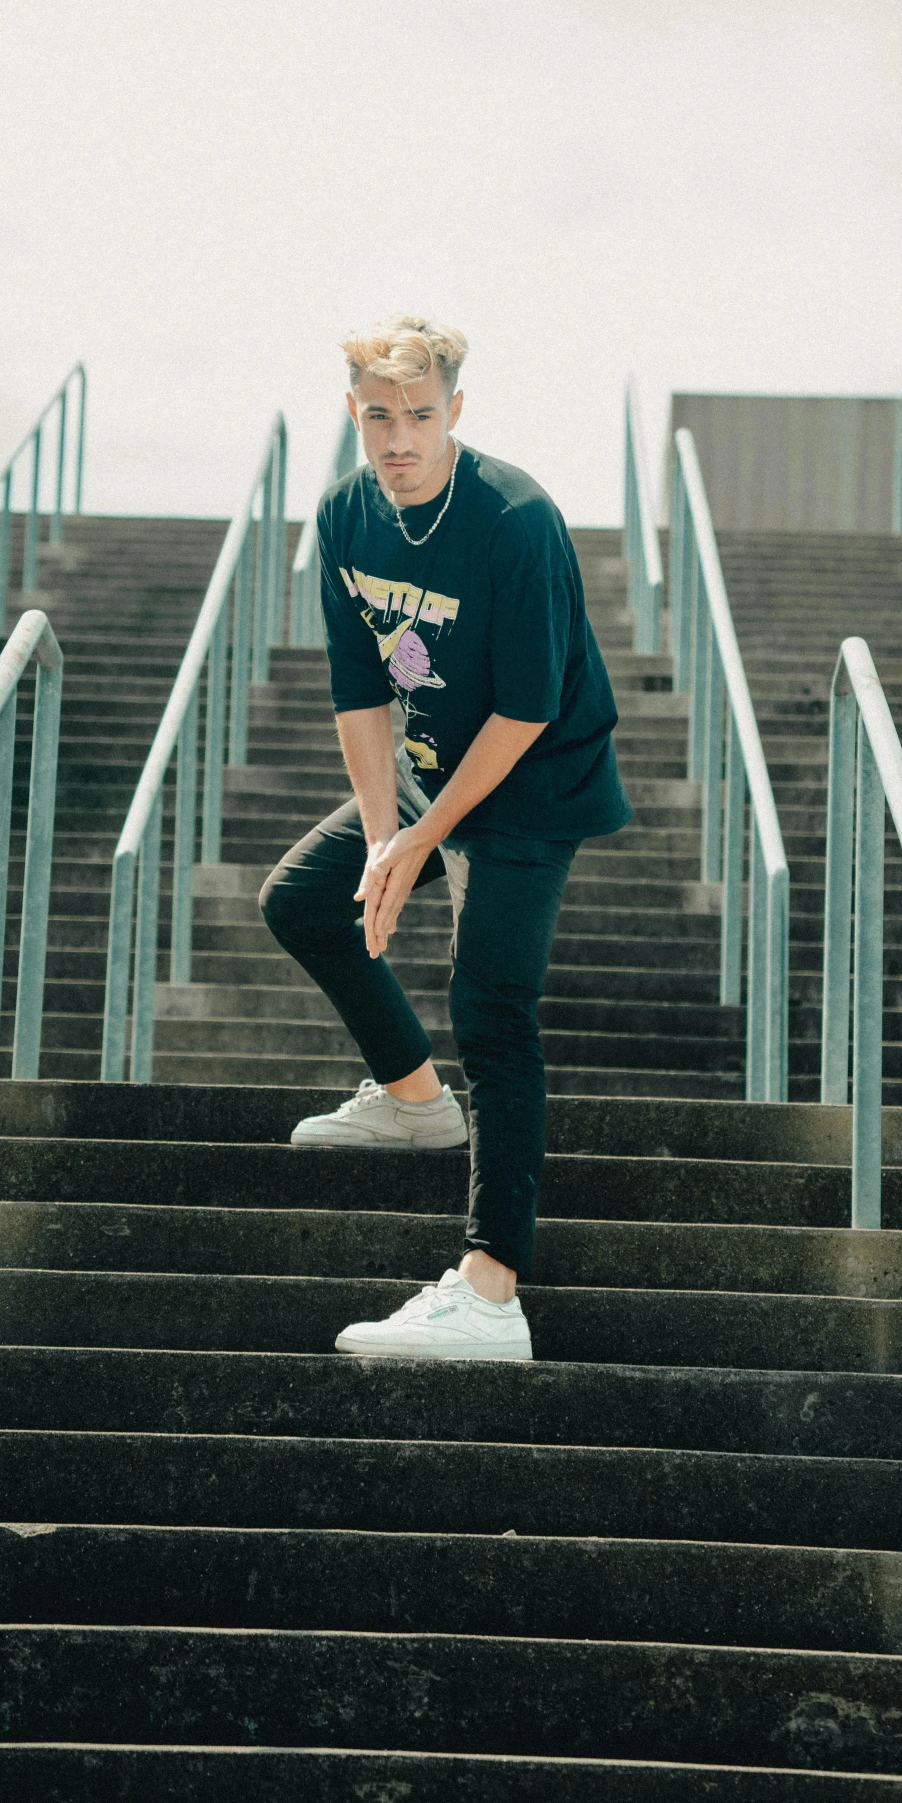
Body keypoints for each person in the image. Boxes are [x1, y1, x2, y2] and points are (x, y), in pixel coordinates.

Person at [259, 314, 631, 1360]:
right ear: (352, 414)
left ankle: (491, 1293)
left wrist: (425, 838)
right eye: (378, 416)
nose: (399, 439)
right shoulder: (344, 514)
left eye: (419, 416)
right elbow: (358, 691)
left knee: (493, 1009)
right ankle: (416, 1100)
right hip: (426, 770)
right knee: (302, 900)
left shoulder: (515, 519)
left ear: (454, 412)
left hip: (533, 781)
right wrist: (384, 837)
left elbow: (524, 711)